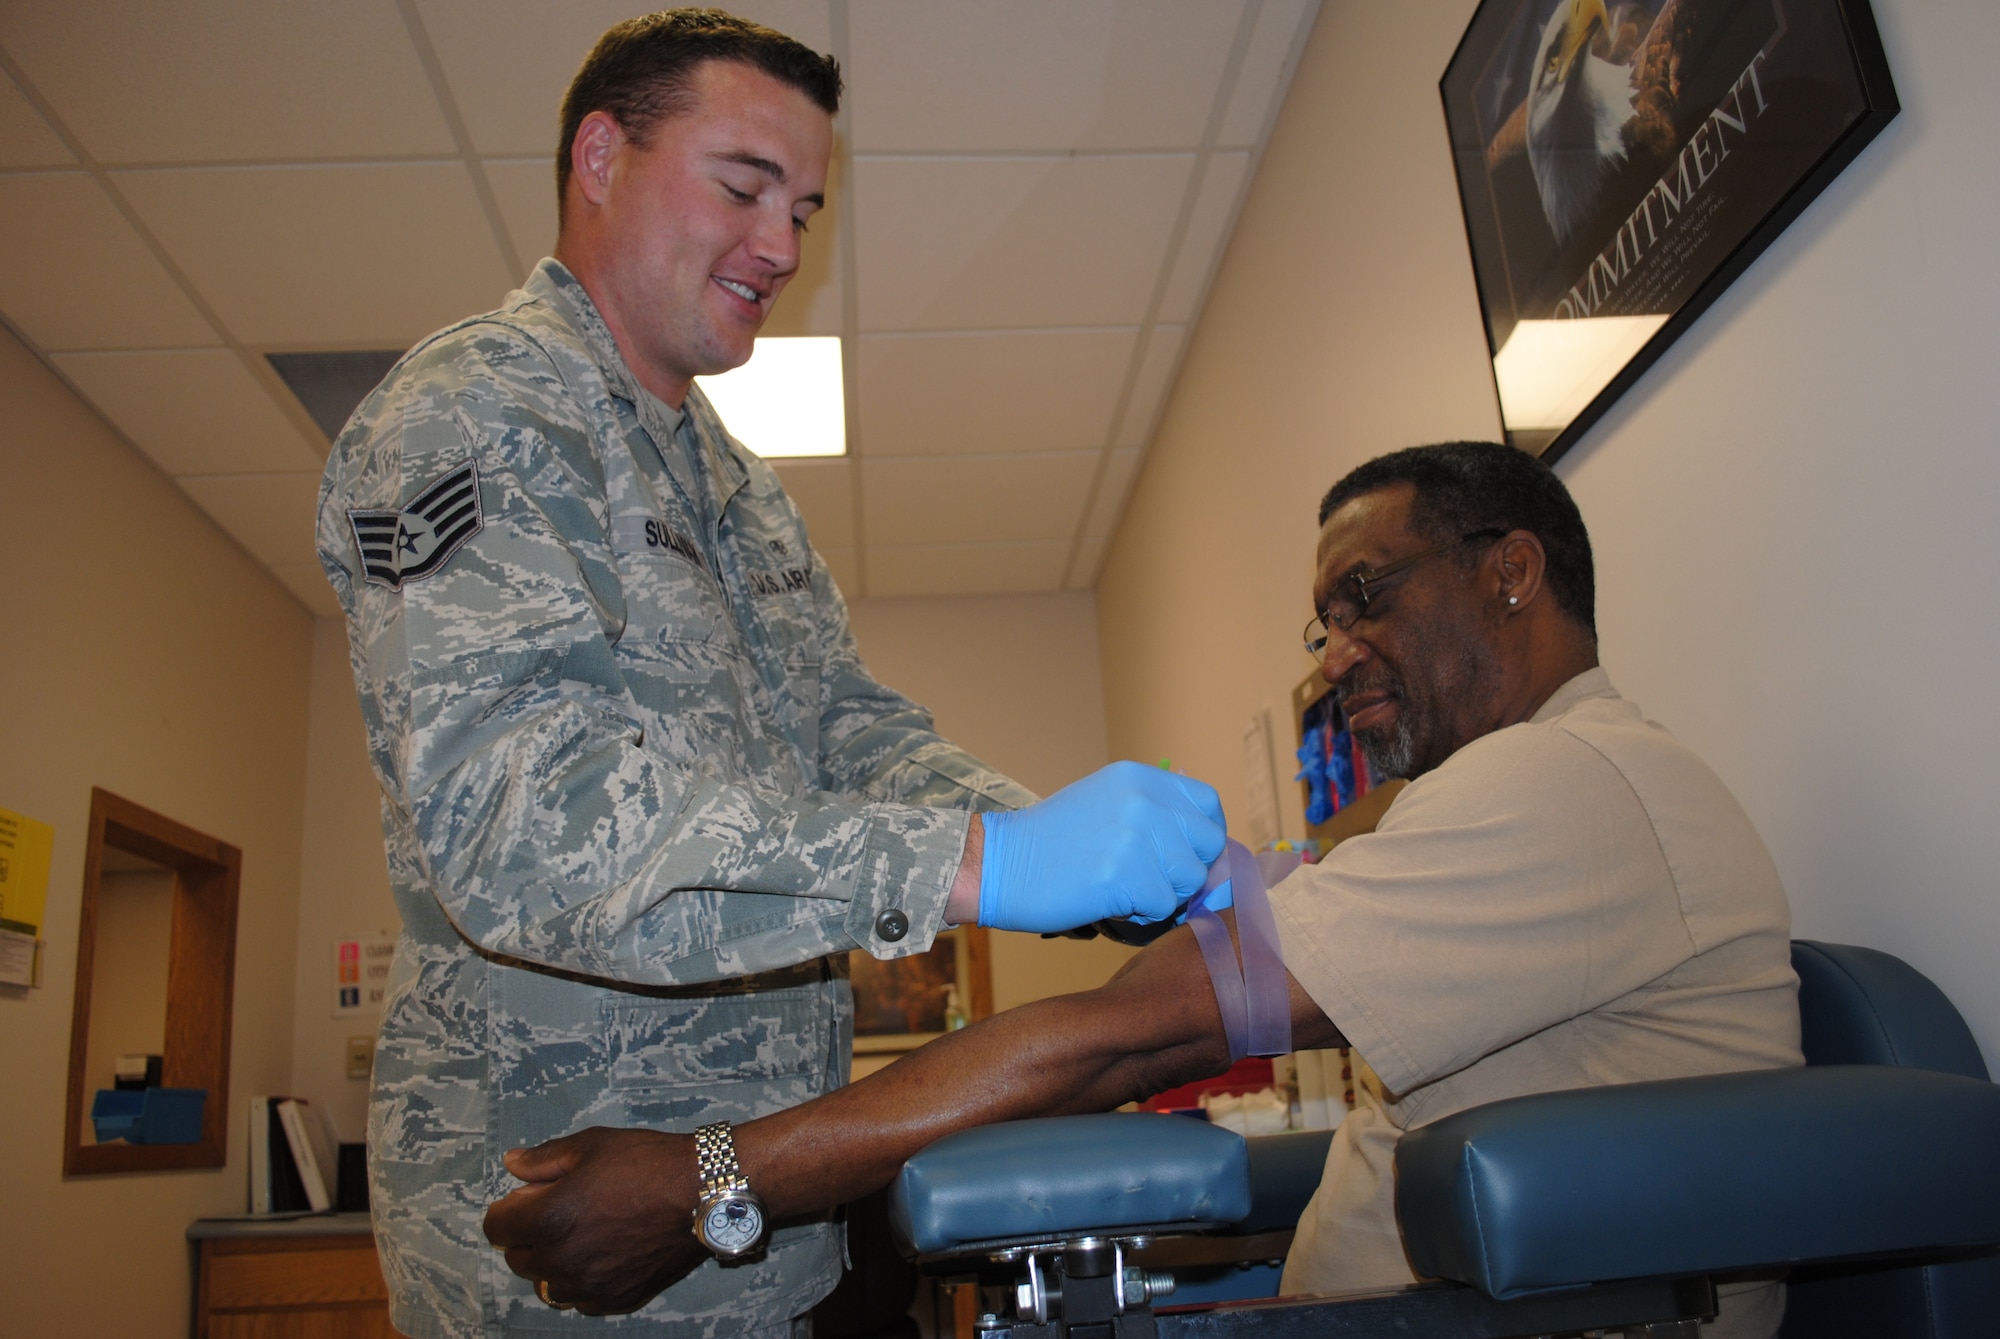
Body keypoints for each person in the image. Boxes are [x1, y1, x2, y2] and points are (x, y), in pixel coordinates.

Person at [315, 11, 1226, 1339]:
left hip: (754, 1219)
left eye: (803, 208)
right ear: (600, 157)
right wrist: (971, 867)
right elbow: (518, 826)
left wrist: (1045, 845)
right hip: (562, 1237)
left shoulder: (738, 486)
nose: (785, 247)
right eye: (744, 187)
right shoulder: (479, 411)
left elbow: (847, 733)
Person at [485, 441, 1801, 1338]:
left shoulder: (1559, 788)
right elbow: (1268, 928)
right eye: (1324, 626)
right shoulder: (1529, 796)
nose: (1340, 656)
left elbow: (1130, 1032)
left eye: (1366, 599)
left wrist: (713, 1175)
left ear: (1510, 572)